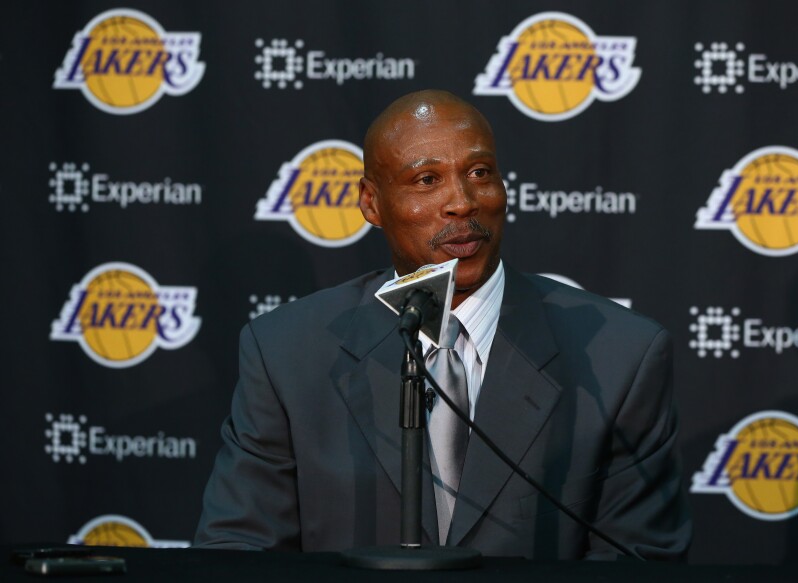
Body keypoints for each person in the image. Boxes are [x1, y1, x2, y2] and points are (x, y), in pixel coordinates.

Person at [194, 89, 692, 560]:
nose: (462, 202)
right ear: (371, 203)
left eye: (479, 172)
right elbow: (238, 552)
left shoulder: (622, 356)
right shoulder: (286, 353)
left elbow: (639, 563)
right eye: (426, 180)